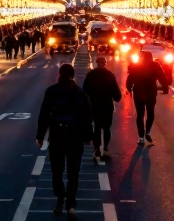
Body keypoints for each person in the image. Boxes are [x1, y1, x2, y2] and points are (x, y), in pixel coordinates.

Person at [36, 63, 92, 219]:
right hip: (75, 136)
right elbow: (87, 116)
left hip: (57, 135)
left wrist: (40, 135)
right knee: (73, 173)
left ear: (59, 74)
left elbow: (44, 114)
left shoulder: (51, 91)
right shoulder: (80, 93)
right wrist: (88, 136)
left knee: (56, 171)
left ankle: (60, 196)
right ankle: (71, 204)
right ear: (73, 75)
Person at [82, 56, 122, 162]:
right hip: (107, 105)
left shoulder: (90, 75)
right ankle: (105, 149)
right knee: (107, 128)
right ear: (105, 63)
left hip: (94, 105)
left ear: (96, 63)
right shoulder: (110, 75)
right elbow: (117, 94)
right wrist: (116, 97)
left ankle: (96, 150)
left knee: (97, 128)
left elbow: (84, 91)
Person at [125, 50, 169, 145]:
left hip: (138, 93)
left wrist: (129, 88)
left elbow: (130, 78)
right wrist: (165, 88)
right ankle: (148, 131)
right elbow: (162, 77)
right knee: (150, 112)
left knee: (140, 115)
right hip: (151, 93)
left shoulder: (137, 65)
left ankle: (141, 137)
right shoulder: (155, 65)